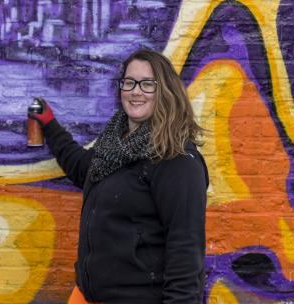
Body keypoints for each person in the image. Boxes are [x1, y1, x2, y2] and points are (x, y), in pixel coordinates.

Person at [29, 49, 209, 303]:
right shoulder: (115, 145)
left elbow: (186, 252)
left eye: (147, 84)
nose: (136, 91)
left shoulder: (175, 160)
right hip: (86, 295)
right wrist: (50, 125)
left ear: (165, 91)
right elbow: (83, 168)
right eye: (129, 82)